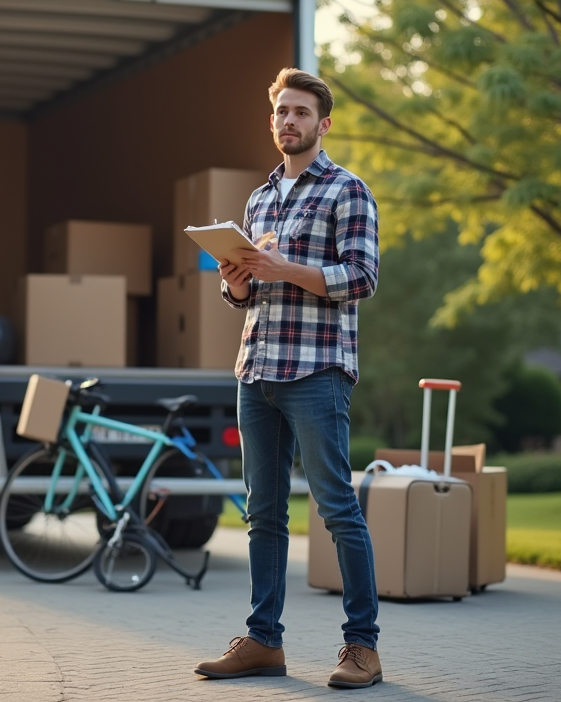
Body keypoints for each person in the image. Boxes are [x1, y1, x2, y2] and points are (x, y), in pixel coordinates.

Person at [194, 67, 382, 688]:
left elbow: (361, 278)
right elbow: (248, 290)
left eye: (301, 112)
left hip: (316, 372)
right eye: (281, 112)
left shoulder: (348, 191)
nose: (289, 122)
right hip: (258, 370)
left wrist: (283, 267)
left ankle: (362, 648)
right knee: (263, 514)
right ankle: (263, 641)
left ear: (323, 124)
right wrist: (236, 282)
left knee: (337, 509)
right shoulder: (259, 198)